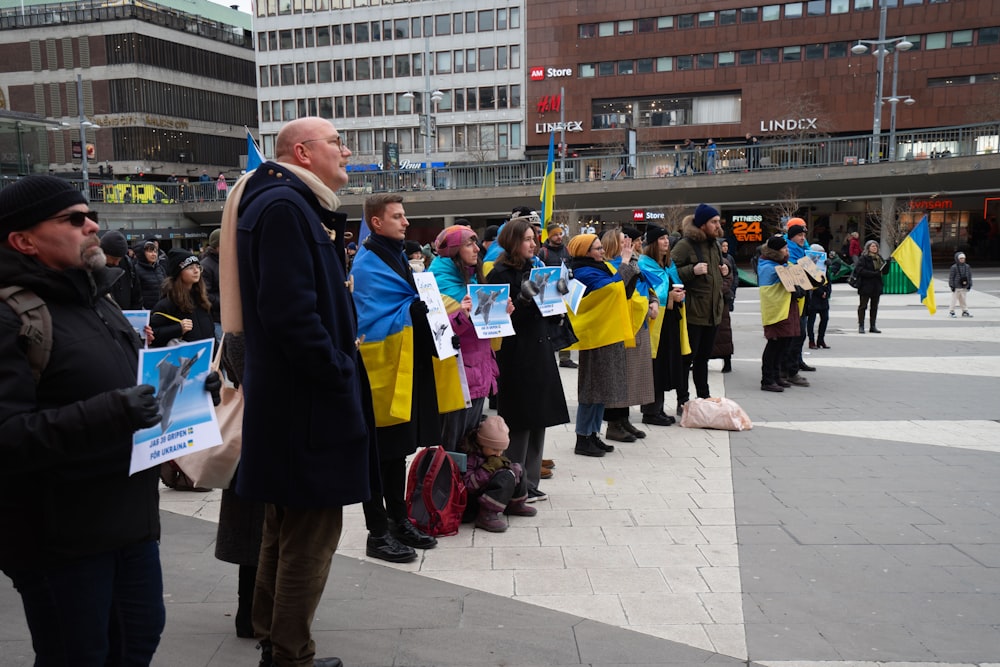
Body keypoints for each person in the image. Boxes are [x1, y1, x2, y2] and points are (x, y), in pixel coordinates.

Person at [0, 175, 210, 665]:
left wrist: (188, 389)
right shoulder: (13, 314)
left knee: (138, 641)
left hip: (129, 520)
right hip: (57, 535)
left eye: (88, 215)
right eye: (73, 220)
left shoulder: (98, 299)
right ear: (23, 240)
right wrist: (111, 412)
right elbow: (8, 435)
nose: (91, 225)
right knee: (78, 654)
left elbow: (128, 382)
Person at [221, 116, 378, 667]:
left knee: (283, 525)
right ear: (304, 152)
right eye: (337, 142)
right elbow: (289, 314)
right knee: (311, 532)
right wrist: (335, 369)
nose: (347, 150)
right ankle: (290, 652)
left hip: (293, 401)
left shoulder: (283, 203)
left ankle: (273, 637)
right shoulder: (286, 208)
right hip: (307, 403)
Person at [352, 193, 452, 563]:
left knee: (396, 453)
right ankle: (376, 533)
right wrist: (413, 307)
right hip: (378, 369)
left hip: (402, 364)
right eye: (397, 216)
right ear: (376, 222)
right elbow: (372, 315)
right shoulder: (366, 265)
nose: (405, 222)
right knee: (377, 456)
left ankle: (398, 519)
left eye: (404, 216)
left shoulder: (395, 254)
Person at [487, 216, 570, 500]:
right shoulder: (499, 274)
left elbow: (543, 310)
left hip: (540, 350)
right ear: (513, 242)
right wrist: (523, 301)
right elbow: (499, 321)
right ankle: (515, 484)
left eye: (534, 239)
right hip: (517, 354)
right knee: (520, 422)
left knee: (539, 418)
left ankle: (531, 482)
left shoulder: (536, 269)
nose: (533, 244)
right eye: (527, 239)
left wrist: (558, 302)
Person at [427, 223, 501, 451]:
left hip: (478, 376)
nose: (477, 248)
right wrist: (463, 316)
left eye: (475, 242)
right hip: (455, 380)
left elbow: (490, 337)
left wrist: (501, 314)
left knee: (469, 447)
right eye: (469, 243)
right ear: (453, 250)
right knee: (450, 450)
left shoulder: (473, 282)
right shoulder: (436, 286)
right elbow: (436, 333)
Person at [670, 204, 729, 415]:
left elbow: (716, 272)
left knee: (704, 358)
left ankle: (703, 396)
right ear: (702, 223)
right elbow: (670, 271)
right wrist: (690, 271)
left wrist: (725, 269)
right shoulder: (686, 244)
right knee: (687, 359)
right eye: (713, 221)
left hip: (712, 311)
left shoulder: (714, 245)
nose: (717, 225)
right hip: (694, 311)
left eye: (718, 221)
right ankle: (682, 400)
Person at [599, 229, 654, 442]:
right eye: (625, 242)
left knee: (631, 376)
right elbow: (616, 288)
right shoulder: (609, 266)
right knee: (620, 375)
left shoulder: (633, 262)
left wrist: (654, 302)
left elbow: (646, 286)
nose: (629, 245)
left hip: (637, 323)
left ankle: (623, 419)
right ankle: (614, 422)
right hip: (621, 326)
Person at [637, 226, 686, 426]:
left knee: (665, 363)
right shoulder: (645, 264)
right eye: (662, 238)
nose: (666, 241)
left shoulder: (666, 264)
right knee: (654, 366)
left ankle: (658, 408)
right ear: (653, 242)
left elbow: (674, 283)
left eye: (667, 238)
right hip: (655, 322)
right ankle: (650, 411)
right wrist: (670, 297)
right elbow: (651, 291)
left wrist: (679, 296)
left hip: (669, 320)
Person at [459, 415, 537, 532]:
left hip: (488, 488)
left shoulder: (493, 454)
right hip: (476, 500)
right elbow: (469, 485)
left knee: (518, 468)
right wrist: (488, 469)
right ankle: (486, 514)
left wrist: (511, 469)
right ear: (482, 444)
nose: (499, 454)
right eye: (494, 450)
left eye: (501, 450)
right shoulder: (472, 457)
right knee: (504, 478)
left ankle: (515, 504)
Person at [757, 235, 806, 392]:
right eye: (784, 249)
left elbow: (801, 279)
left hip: (787, 308)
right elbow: (790, 283)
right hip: (776, 311)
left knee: (784, 344)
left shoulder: (783, 264)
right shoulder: (768, 266)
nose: (787, 251)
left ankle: (777, 375)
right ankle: (767, 379)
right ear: (776, 251)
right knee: (774, 344)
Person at [149, 248, 215, 347]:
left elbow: (210, 333)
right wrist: (178, 329)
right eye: (190, 267)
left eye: (198, 267)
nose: (196, 271)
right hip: (184, 360)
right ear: (178, 272)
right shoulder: (167, 303)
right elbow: (152, 335)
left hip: (208, 358)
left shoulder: (202, 299)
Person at [784, 220, 815, 374]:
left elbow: (815, 276)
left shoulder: (804, 250)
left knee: (801, 334)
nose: (803, 238)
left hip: (804, 297)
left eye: (804, 234)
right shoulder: (787, 251)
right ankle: (790, 368)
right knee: (796, 334)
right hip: (794, 299)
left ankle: (797, 361)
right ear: (791, 236)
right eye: (799, 235)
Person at [710, 238, 737, 373]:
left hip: (721, 302)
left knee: (724, 333)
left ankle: (727, 362)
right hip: (707, 302)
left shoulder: (724, 262)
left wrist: (717, 290)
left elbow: (729, 279)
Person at [101, 230, 143, 310]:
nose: (116, 263)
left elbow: (137, 296)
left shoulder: (128, 264)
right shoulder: (95, 268)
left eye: (119, 259)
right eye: (114, 258)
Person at [856, 239, 889, 334]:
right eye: (872, 246)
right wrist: (873, 274)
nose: (874, 248)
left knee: (874, 307)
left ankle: (873, 325)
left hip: (876, 285)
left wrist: (888, 264)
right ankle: (861, 325)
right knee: (863, 306)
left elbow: (884, 272)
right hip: (866, 285)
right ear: (868, 248)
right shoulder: (864, 258)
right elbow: (860, 270)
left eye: (876, 246)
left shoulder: (879, 258)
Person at [807, 243, 832, 349]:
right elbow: (811, 282)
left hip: (824, 296)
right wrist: (821, 292)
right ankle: (811, 341)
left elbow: (828, 280)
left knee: (825, 318)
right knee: (811, 319)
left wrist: (829, 266)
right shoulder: (809, 266)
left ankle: (821, 339)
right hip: (814, 296)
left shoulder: (824, 265)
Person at [200, 228, 222, 339]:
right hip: (217, 318)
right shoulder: (206, 265)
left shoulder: (229, 260)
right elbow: (205, 295)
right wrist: (226, 302)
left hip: (231, 315)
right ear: (216, 246)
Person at [135, 239, 167, 309]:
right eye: (150, 251)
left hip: (162, 310)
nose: (154, 254)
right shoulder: (136, 270)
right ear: (142, 253)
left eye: (155, 251)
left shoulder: (160, 268)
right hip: (146, 311)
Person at [948, 252, 973, 317]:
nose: (962, 259)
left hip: (964, 286)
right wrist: (951, 285)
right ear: (957, 259)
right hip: (956, 286)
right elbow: (951, 277)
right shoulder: (954, 267)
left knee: (963, 300)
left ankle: (965, 311)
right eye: (961, 258)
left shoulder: (967, 266)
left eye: (963, 258)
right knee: (954, 300)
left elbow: (969, 276)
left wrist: (970, 284)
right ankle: (951, 311)